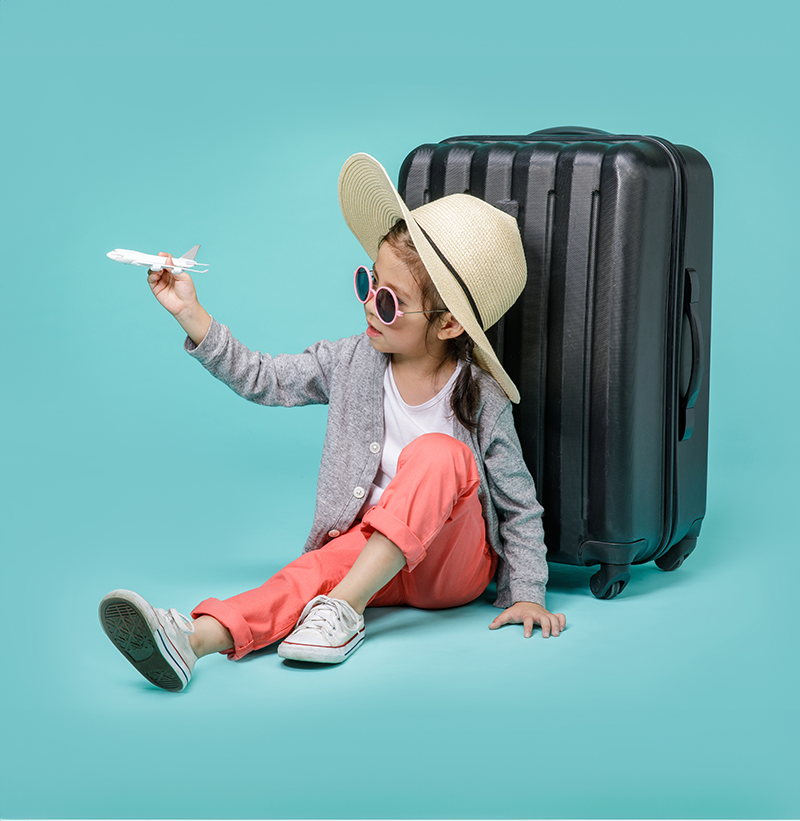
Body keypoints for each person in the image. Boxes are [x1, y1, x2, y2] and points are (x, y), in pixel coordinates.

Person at [99, 153, 566, 692]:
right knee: (308, 571)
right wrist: (191, 315)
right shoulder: (349, 362)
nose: (370, 305)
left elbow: (518, 502)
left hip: (448, 570)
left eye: (389, 302)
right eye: (367, 282)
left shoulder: (479, 395)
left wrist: (528, 591)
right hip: (372, 559)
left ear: (449, 324)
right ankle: (191, 640)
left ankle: (341, 610)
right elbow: (265, 378)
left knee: (441, 453)